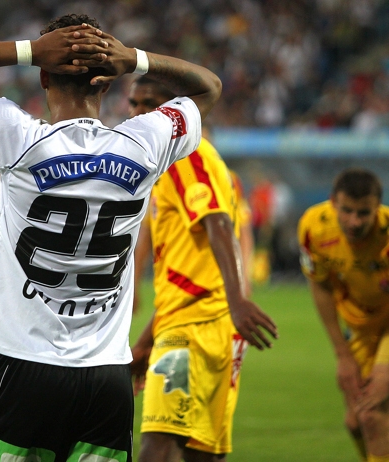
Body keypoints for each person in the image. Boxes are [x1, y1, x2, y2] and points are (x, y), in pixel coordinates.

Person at [0, 13, 225, 462]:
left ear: (42, 76)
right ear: (108, 80)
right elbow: (209, 86)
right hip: (106, 379)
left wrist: (28, 50)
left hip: (23, 369)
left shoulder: (16, 136)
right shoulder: (145, 142)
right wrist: (134, 58)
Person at [128, 76, 277, 462]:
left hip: (196, 328)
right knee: (200, 452)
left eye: (151, 103)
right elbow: (188, 265)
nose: (140, 112)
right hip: (196, 322)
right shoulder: (165, 168)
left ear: (178, 110)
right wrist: (146, 339)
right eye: (134, 103)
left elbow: (220, 224)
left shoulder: (188, 154)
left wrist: (238, 298)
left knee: (158, 444)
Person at [298, 168, 389, 462]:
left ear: (378, 208)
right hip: (360, 328)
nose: (354, 221)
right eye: (347, 210)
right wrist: (342, 354)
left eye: (364, 213)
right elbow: (321, 284)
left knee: (374, 413)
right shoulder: (314, 227)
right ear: (333, 202)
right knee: (355, 422)